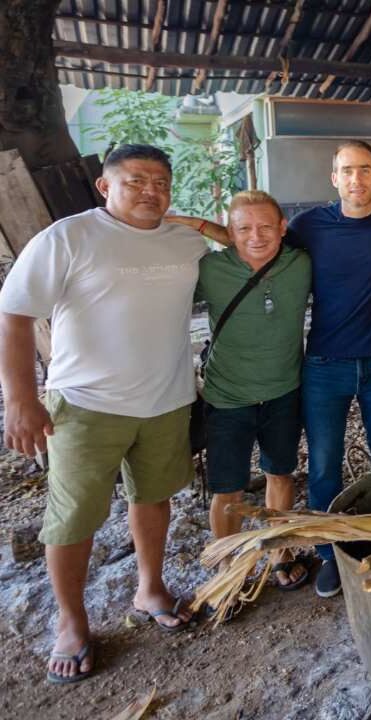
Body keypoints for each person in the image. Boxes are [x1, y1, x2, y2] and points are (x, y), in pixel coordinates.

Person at [170, 141, 371, 598]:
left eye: (365, 170)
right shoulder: (309, 226)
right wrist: (198, 225)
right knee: (323, 467)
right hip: (322, 366)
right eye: (347, 170)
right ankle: (328, 554)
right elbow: (255, 241)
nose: (356, 179)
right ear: (333, 178)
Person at [0, 144, 207, 684]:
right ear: (104, 186)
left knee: (153, 496)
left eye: (160, 181)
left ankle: (150, 586)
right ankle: (71, 621)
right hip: (86, 405)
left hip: (166, 399)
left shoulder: (186, 242)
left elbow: (245, 239)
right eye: (135, 180)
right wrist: (20, 397)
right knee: (73, 518)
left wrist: (191, 219)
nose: (150, 190)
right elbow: (15, 313)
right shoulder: (68, 237)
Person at [193, 191, 311, 593]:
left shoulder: (301, 264)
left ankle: (278, 550)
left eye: (265, 227)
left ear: (282, 228)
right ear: (230, 232)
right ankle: (227, 562)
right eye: (243, 229)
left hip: (284, 391)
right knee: (228, 487)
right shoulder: (209, 269)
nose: (255, 236)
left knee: (281, 472)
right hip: (227, 398)